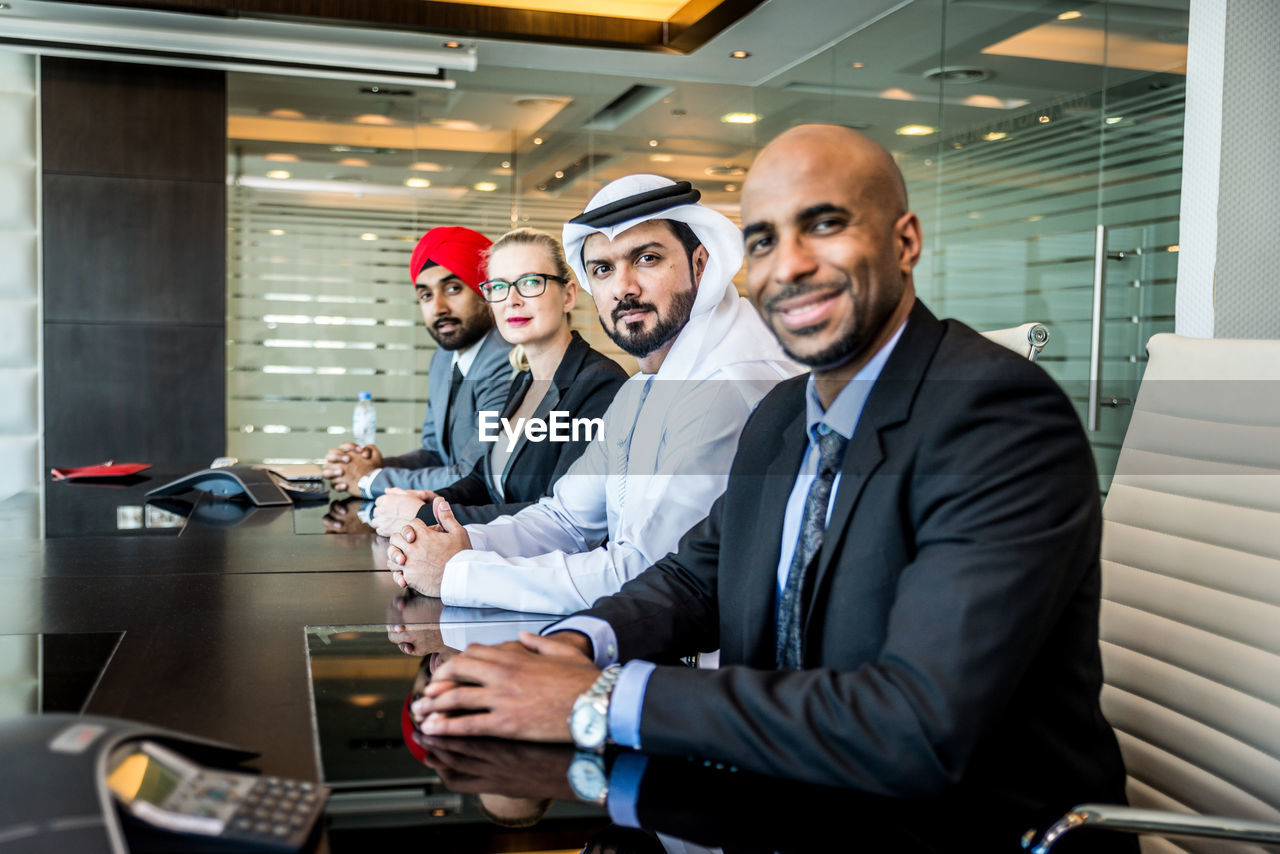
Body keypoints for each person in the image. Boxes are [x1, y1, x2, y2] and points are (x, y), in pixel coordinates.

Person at [405, 125, 1131, 848]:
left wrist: (597, 700)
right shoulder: (787, 411)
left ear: (905, 241)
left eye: (823, 225)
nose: (790, 265)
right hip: (786, 796)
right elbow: (697, 577)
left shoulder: (999, 416)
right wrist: (571, 646)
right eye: (763, 241)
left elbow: (916, 725)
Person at [384, 175, 800, 614]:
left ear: (701, 263)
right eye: (603, 269)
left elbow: (646, 574)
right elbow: (565, 518)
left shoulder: (726, 385)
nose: (623, 287)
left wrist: (457, 572)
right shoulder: (641, 387)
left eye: (647, 258)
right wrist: (458, 541)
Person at [370, 228, 628, 536]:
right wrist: (436, 501)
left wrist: (426, 515)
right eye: (499, 287)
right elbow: (483, 480)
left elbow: (559, 518)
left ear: (568, 295)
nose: (512, 300)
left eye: (530, 282)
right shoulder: (523, 381)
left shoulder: (599, 384)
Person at [322, 226, 513, 499]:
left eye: (452, 288)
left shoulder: (508, 360)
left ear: (486, 291)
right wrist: (373, 466)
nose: (438, 308)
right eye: (425, 295)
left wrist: (370, 479)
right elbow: (435, 453)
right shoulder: (443, 359)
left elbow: (475, 474)